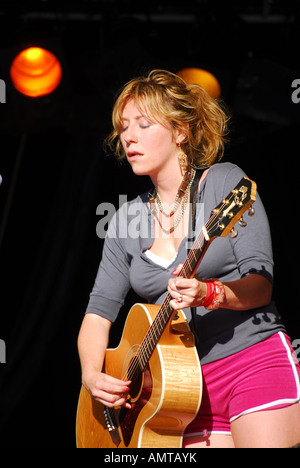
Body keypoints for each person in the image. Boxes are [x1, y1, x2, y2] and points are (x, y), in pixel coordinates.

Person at [77, 69, 300, 448]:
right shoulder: (124, 221)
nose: (128, 136)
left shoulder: (225, 183)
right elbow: (97, 315)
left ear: (180, 132)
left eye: (143, 124)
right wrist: (91, 376)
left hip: (252, 361)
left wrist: (209, 293)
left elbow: (260, 287)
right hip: (180, 390)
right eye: (123, 127)